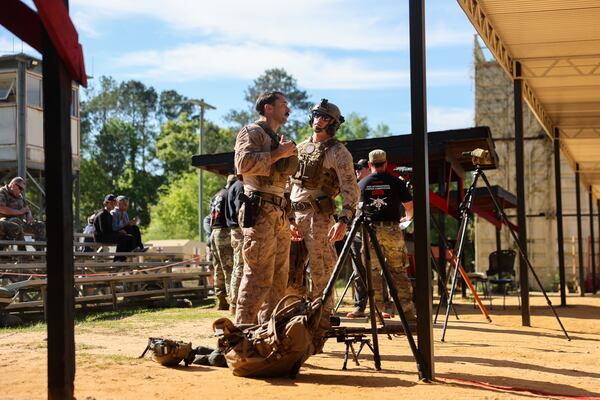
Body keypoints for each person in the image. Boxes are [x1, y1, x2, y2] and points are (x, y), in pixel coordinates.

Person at [289, 99, 359, 314]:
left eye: (325, 117)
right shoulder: (299, 148)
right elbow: (286, 184)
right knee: (291, 270)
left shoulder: (339, 152)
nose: (318, 120)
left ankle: (323, 316)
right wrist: (288, 218)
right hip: (293, 216)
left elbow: (350, 188)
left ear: (333, 123)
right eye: (316, 115)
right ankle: (295, 318)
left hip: (317, 217)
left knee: (321, 270)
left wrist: (344, 219)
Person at [234, 90, 298, 325]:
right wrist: (278, 153)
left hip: (279, 213)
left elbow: (284, 183)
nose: (288, 108)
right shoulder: (252, 132)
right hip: (259, 209)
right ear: (268, 108)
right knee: (258, 275)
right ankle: (243, 333)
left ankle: (268, 334)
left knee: (279, 279)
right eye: (283, 103)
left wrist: (289, 217)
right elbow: (243, 164)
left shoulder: (276, 138)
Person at [358, 149, 416, 321]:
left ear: (369, 165)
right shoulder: (396, 183)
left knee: (373, 272)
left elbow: (356, 207)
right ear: (386, 163)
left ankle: (377, 314)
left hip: (370, 231)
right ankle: (406, 313)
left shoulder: (362, 184)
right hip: (392, 230)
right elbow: (410, 206)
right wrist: (408, 218)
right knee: (398, 271)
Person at [346, 159, 371, 318]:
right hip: (356, 232)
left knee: (377, 270)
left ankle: (382, 307)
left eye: (360, 168)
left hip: (373, 232)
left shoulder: (376, 184)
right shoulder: (353, 187)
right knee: (358, 272)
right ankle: (359, 307)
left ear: (368, 168)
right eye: (356, 169)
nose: (357, 171)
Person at [209, 180, 235, 311]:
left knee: (218, 267)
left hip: (214, 231)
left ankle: (221, 300)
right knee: (229, 268)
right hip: (225, 232)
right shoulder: (229, 194)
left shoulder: (217, 195)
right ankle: (231, 301)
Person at [0, 177, 45, 241]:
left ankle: (40, 249)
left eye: (22, 189)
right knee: (15, 221)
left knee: (40, 225)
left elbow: (26, 209)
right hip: (7, 223)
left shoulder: (19, 195)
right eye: (20, 188)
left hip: (21, 223)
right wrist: (19, 212)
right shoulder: (2, 192)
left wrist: (29, 215)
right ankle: (21, 248)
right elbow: (1, 208)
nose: (21, 191)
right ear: (14, 185)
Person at [93, 194, 136, 262]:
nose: (114, 205)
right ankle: (118, 259)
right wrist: (118, 232)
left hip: (107, 235)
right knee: (123, 237)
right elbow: (104, 230)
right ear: (106, 203)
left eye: (114, 203)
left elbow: (110, 230)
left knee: (128, 237)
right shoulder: (102, 214)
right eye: (112, 203)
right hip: (101, 237)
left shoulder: (109, 214)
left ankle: (120, 259)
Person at [225, 174, 244, 314]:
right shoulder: (240, 186)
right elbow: (240, 211)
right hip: (240, 230)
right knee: (240, 267)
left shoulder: (233, 187)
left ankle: (234, 302)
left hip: (234, 230)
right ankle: (235, 303)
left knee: (238, 267)